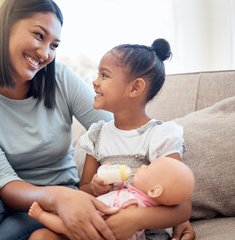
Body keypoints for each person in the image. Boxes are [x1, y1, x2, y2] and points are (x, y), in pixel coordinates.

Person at [0, 0, 194, 238]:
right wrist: (61, 197)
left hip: (51, 200)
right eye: (38, 36)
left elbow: (120, 129)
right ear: (6, 26)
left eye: (53, 45)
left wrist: (174, 209)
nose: (45, 53)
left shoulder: (60, 78)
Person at [29, 39, 196, 240]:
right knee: (41, 236)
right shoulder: (97, 136)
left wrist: (135, 219)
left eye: (105, 75)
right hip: (101, 229)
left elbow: (180, 203)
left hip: (145, 233)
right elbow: (85, 190)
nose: (95, 81)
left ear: (135, 88)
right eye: (98, 74)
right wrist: (95, 188)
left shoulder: (159, 136)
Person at [29, 157, 195, 240]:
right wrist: (103, 182)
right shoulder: (130, 193)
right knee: (40, 236)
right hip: (88, 221)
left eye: (148, 167)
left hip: (93, 232)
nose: (143, 166)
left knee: (66, 229)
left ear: (154, 190)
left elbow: (113, 224)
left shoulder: (135, 205)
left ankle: (43, 216)